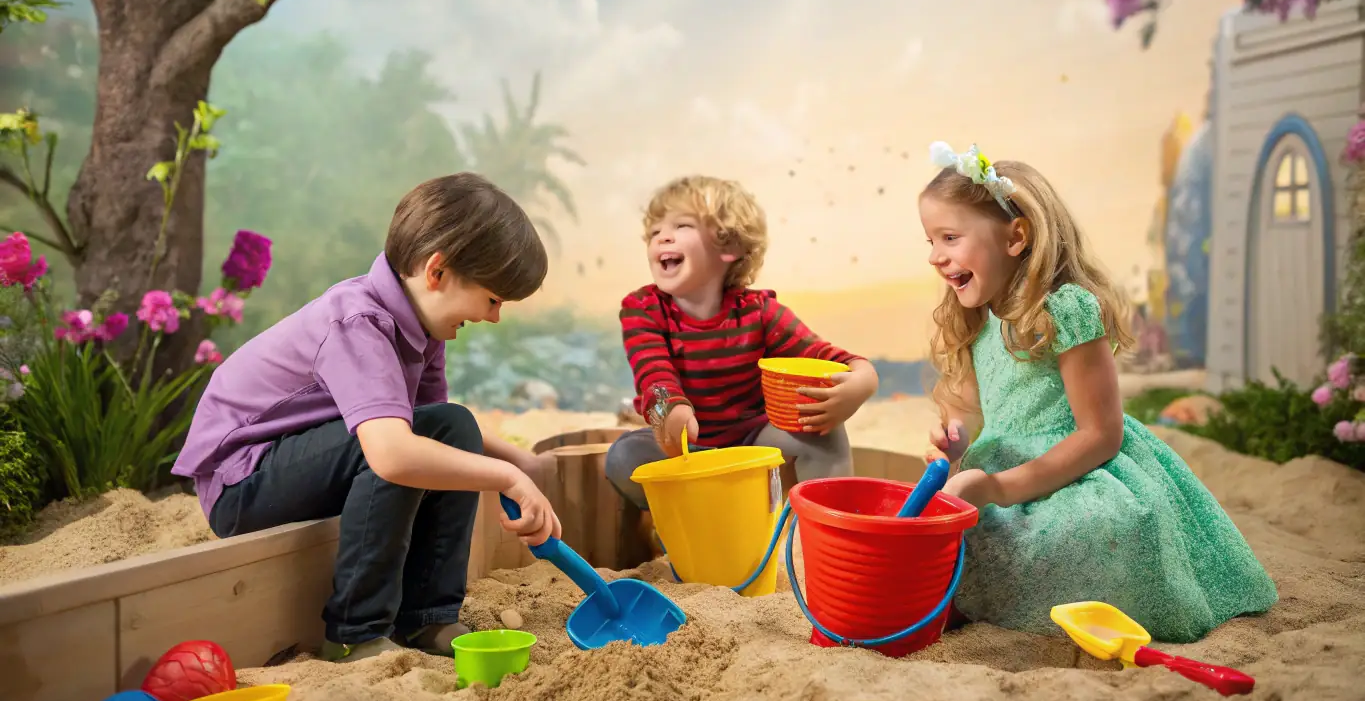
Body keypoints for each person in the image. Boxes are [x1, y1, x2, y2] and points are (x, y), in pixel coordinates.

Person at [173, 174, 562, 663]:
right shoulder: (359, 321)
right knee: (401, 442)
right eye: (492, 299)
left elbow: (438, 428)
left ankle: (428, 618)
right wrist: (505, 477)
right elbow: (394, 453)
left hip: (299, 464)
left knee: (450, 424)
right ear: (437, 272)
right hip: (242, 482)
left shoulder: (422, 330)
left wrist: (522, 461)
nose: (494, 317)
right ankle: (355, 632)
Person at [920, 142, 1277, 641]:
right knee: (943, 538)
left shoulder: (1064, 309)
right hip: (1000, 473)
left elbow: (1100, 434)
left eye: (950, 238)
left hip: (1076, 470)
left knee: (1098, 530)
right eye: (931, 241)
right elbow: (972, 415)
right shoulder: (976, 319)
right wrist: (957, 444)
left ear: (1016, 236)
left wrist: (997, 489)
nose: (935, 257)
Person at [604, 175, 880, 520]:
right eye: (655, 231)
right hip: (685, 450)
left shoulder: (760, 312)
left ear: (729, 246)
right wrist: (669, 409)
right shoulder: (643, 308)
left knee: (824, 434)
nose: (662, 236)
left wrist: (863, 379)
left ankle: (830, 525)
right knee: (624, 456)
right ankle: (696, 517)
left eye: (682, 225)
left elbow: (827, 355)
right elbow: (652, 373)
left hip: (754, 445)